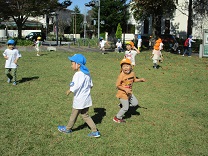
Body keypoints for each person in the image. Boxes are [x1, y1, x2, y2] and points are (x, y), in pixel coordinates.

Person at [58, 54, 101, 138]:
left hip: (79, 100)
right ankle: (95, 131)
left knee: (73, 115)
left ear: (78, 64)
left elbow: (75, 86)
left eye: (72, 63)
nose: (71, 66)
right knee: (85, 115)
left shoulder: (77, 74)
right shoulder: (87, 74)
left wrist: (69, 90)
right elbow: (91, 85)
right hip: (87, 99)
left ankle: (67, 129)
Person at [113, 58, 146, 123]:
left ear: (131, 67)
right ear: (121, 68)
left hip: (129, 93)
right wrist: (125, 89)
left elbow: (134, 80)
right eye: (123, 66)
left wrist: (140, 80)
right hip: (122, 94)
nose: (125, 68)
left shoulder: (132, 73)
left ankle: (122, 105)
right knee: (125, 108)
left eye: (127, 66)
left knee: (135, 103)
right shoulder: (121, 75)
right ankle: (117, 118)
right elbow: (117, 85)